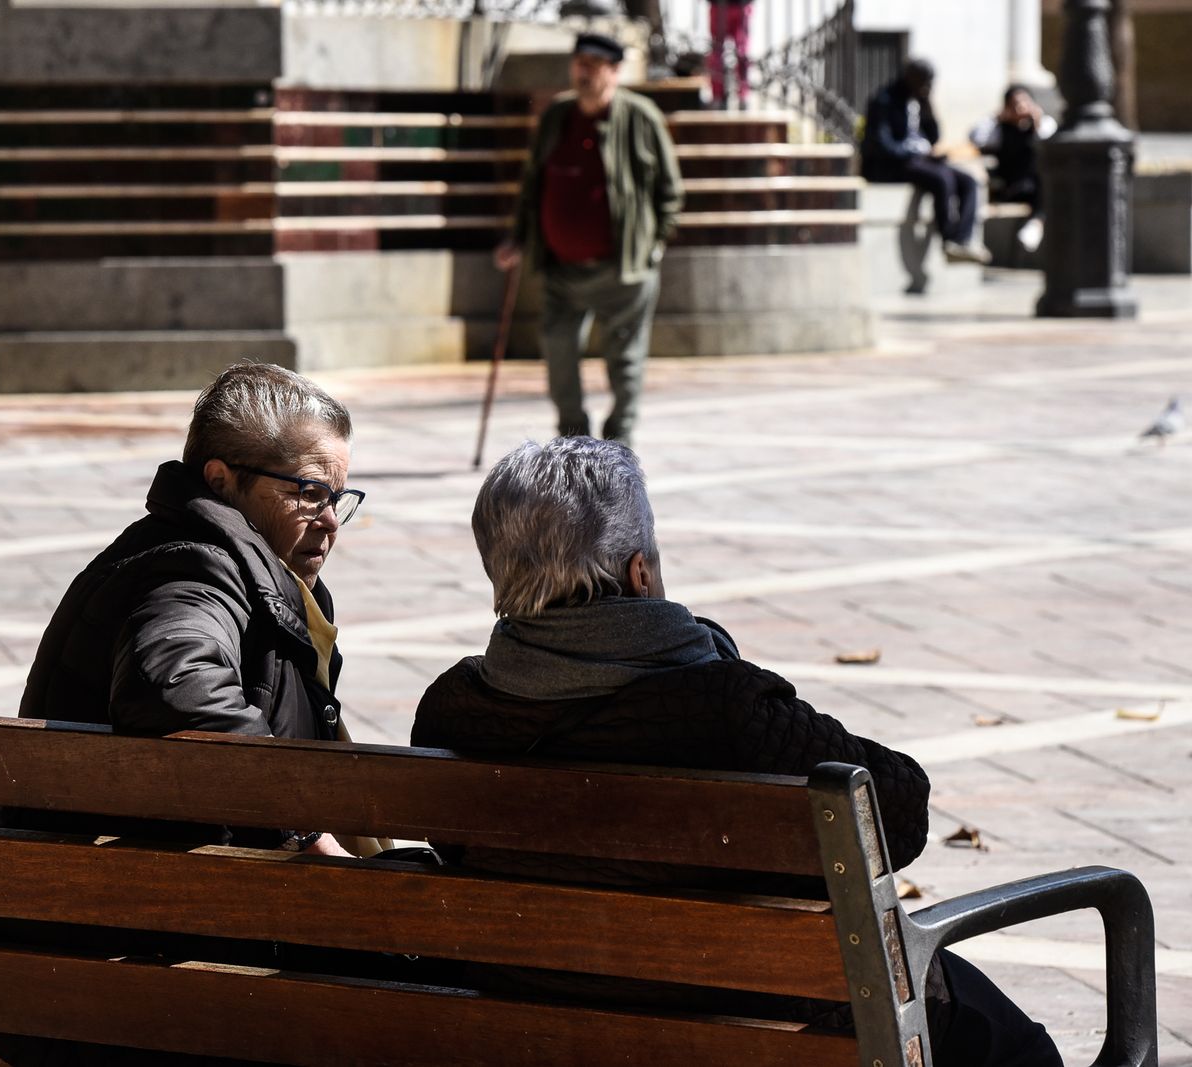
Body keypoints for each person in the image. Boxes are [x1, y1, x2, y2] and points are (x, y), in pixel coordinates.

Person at [412, 436, 1064, 1066]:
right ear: (640, 572)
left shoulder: (451, 711)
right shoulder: (724, 712)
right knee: (999, 1035)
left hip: (529, 1016)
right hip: (739, 1026)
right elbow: (896, 811)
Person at [16, 361, 372, 856]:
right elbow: (174, 685)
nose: (330, 520)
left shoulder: (231, 563)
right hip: (160, 915)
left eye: (337, 497)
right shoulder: (192, 570)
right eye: (308, 493)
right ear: (221, 479)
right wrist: (299, 828)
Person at [494, 32, 684, 446]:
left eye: (595, 65)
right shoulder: (557, 115)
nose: (584, 72)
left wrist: (651, 246)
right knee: (559, 355)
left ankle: (619, 446)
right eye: (580, 62)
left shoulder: (640, 116)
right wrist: (518, 237)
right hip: (562, 270)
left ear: (615, 71)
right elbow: (533, 185)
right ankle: (573, 441)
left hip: (623, 271)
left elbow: (670, 191)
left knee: (625, 362)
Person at [861, 57, 993, 265]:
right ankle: (949, 239)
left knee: (968, 181)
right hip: (892, 165)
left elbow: (934, 137)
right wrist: (914, 154)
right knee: (943, 178)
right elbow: (881, 144)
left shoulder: (919, 101)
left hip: (920, 160)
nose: (927, 86)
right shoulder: (884, 100)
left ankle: (963, 240)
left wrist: (928, 107)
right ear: (910, 77)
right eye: (924, 81)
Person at [971, 84, 1056, 253]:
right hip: (1013, 185)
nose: (1021, 108)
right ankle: (1036, 225)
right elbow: (976, 137)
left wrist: (1037, 121)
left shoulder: (1042, 124)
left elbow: (1051, 141)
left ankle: (1036, 224)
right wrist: (997, 118)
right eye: (1015, 104)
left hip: (1037, 184)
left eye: (1025, 102)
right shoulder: (999, 129)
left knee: (1049, 186)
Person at [707, 0, 754, 107]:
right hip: (720, 6)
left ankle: (742, 96)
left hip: (740, 6)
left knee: (742, 54)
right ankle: (718, 96)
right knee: (717, 53)